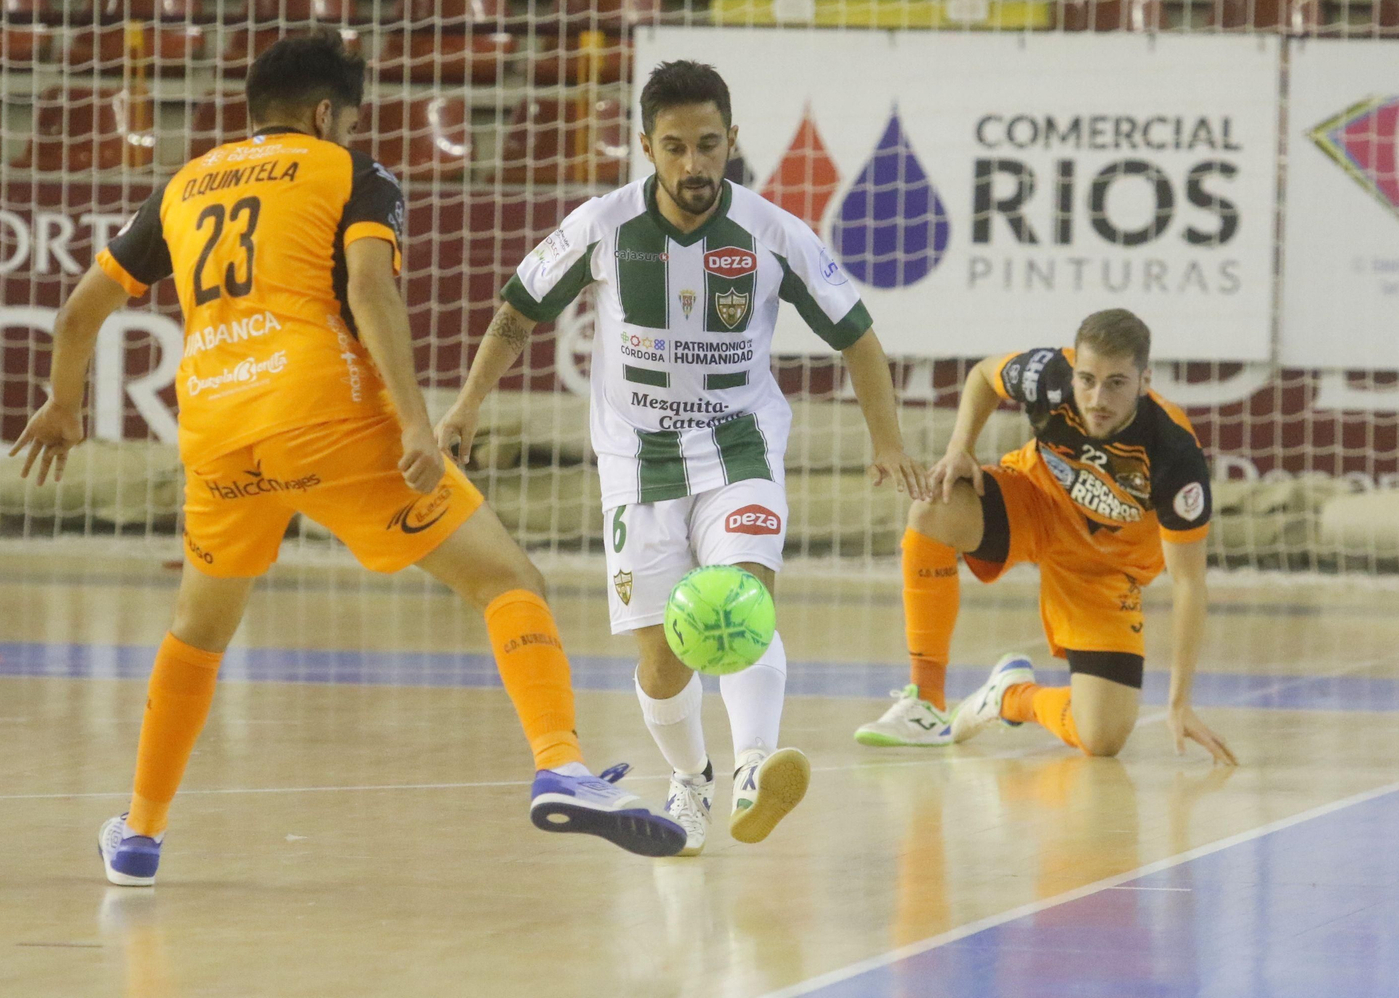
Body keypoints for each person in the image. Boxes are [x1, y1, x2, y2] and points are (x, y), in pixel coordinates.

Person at [10, 33, 685, 886]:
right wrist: (412, 424)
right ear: (327, 113)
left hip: (218, 434)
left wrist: (65, 406)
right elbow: (370, 287)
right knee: (509, 582)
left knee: (197, 634)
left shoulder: (183, 185)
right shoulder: (350, 173)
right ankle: (560, 764)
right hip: (327, 417)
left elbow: (79, 313)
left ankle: (139, 835)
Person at [437, 60, 932, 856]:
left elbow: (859, 338)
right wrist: (464, 408)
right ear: (645, 147)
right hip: (636, 464)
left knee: (743, 598)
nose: (694, 165)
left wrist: (886, 442)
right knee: (664, 660)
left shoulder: (773, 233)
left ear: (733, 140)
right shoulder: (601, 224)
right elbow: (515, 315)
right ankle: (690, 779)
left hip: (740, 448)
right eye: (675, 148)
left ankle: (754, 768)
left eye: (709, 145)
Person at [854, 309, 1237, 766]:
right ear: (1073, 371)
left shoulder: (1173, 452)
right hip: (1035, 503)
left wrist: (1178, 702)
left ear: (1144, 380)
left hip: (1105, 570)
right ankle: (926, 701)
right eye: (1087, 379)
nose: (1097, 398)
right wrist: (961, 449)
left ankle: (1009, 697)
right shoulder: (1047, 377)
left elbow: (1189, 584)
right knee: (932, 507)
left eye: (1116, 383)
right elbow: (982, 376)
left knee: (1102, 739)